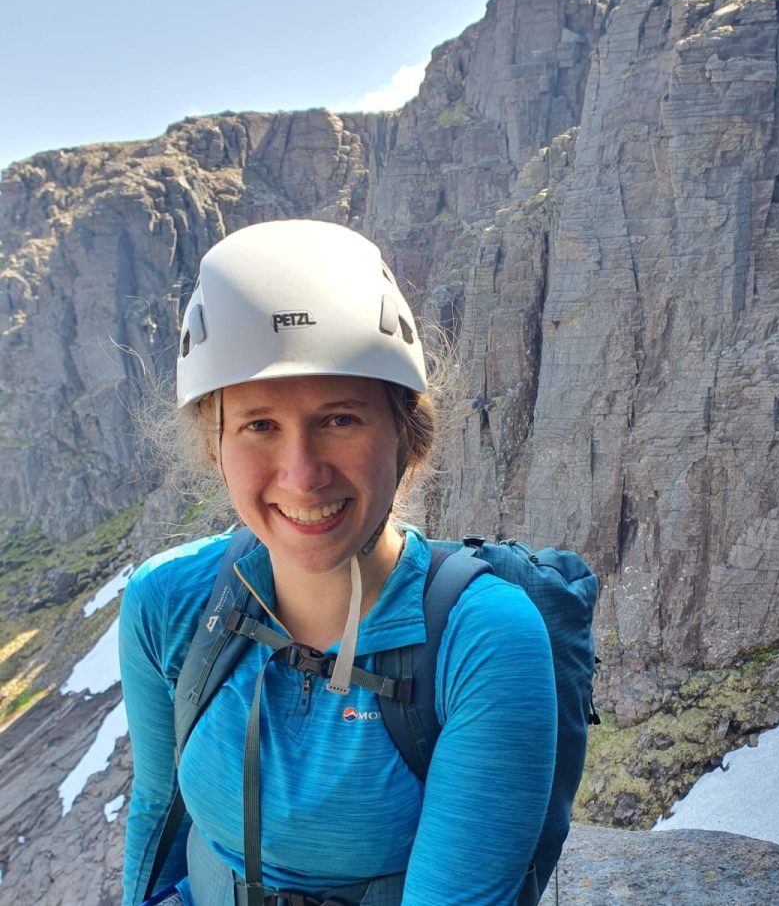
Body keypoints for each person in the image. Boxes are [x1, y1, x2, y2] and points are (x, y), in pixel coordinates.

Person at [119, 219, 558, 906]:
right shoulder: (168, 601)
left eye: (340, 419)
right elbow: (158, 813)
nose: (302, 474)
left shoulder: (483, 640)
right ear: (215, 445)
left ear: (406, 437)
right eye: (260, 425)